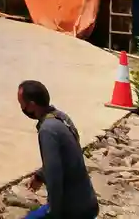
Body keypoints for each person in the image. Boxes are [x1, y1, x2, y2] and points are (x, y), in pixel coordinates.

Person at [17, 80, 99, 219]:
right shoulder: (62, 118)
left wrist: (53, 213)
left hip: (73, 211)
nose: (21, 108)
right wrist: (39, 175)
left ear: (31, 105)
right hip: (88, 202)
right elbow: (67, 157)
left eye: (22, 104)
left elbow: (54, 176)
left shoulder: (47, 130)